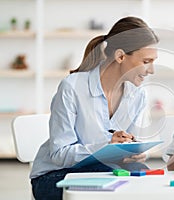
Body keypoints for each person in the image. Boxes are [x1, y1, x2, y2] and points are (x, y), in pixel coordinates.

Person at [30, 16, 159, 200]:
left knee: (143, 180)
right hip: (55, 176)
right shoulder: (72, 87)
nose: (152, 70)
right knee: (119, 189)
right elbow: (59, 155)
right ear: (120, 56)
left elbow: (126, 148)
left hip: (103, 170)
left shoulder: (137, 95)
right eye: (146, 62)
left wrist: (132, 154)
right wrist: (105, 146)